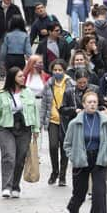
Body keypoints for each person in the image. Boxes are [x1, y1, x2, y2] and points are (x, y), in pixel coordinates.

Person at [0, 67, 40, 198]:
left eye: (23, 76)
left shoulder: (28, 93)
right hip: (6, 127)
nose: (23, 78)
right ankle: (6, 187)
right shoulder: (2, 94)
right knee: (9, 156)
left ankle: (15, 186)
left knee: (20, 158)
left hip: (24, 128)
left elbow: (35, 112)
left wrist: (36, 128)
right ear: (12, 78)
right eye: (20, 76)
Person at [64, 91, 107, 213]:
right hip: (81, 159)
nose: (92, 105)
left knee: (99, 192)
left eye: (95, 102)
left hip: (98, 159)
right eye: (89, 102)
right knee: (79, 193)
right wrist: (73, 156)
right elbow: (67, 143)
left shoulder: (104, 121)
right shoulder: (75, 123)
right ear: (84, 104)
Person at [39, 59, 71, 187]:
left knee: (64, 147)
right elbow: (44, 104)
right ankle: (55, 171)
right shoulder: (49, 84)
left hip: (66, 120)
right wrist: (40, 122)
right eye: (55, 70)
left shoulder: (70, 84)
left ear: (64, 71)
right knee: (53, 146)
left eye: (60, 70)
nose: (57, 72)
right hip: (52, 119)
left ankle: (62, 175)